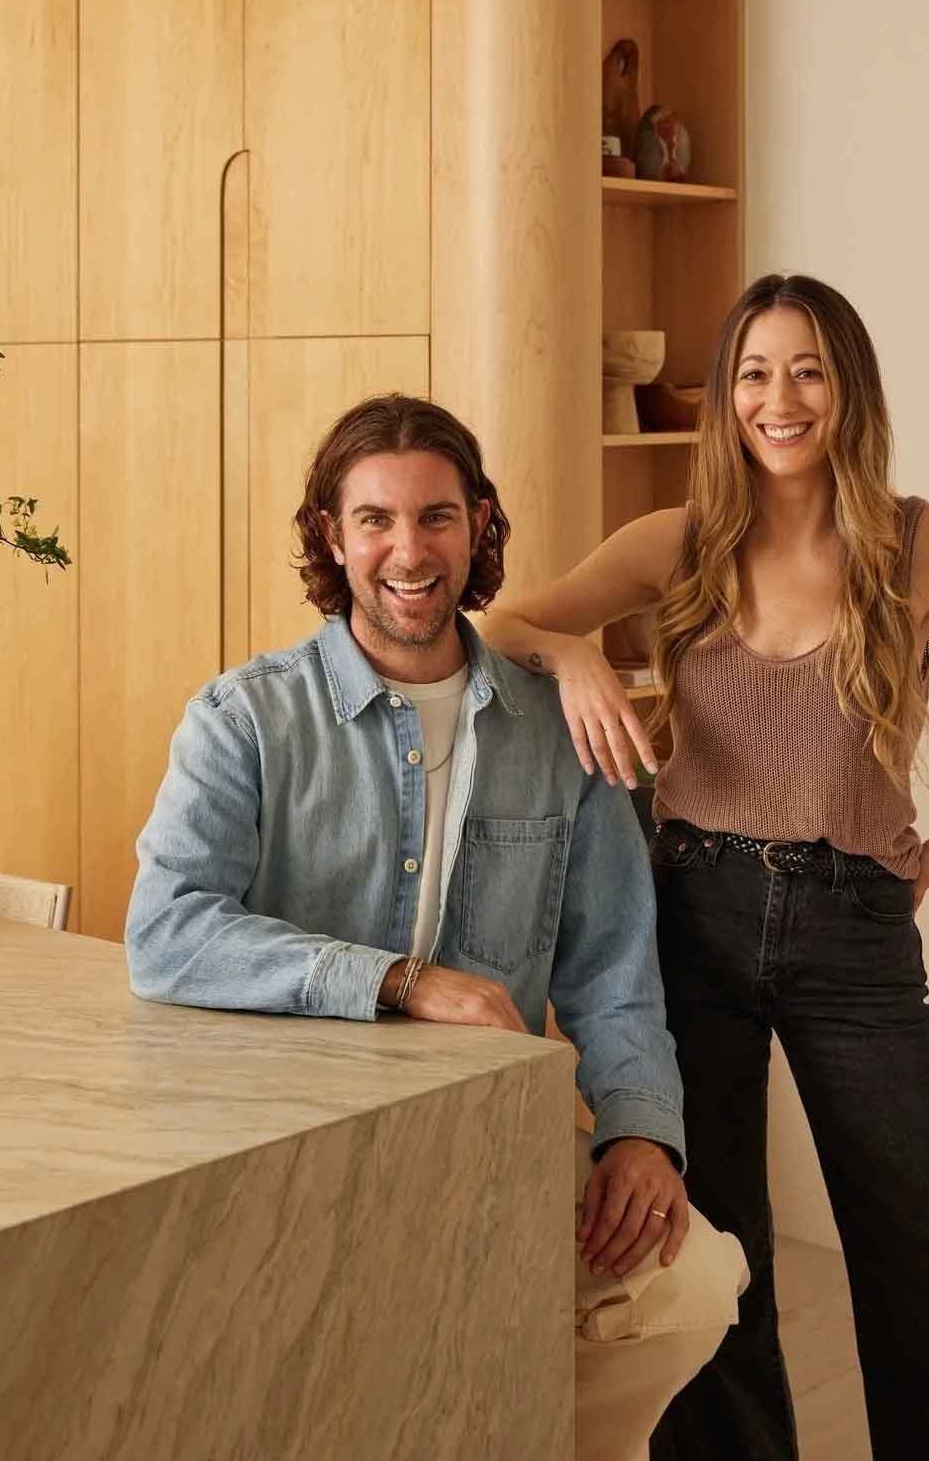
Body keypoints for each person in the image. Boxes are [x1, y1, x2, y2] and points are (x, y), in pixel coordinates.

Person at [484, 271, 929, 1460]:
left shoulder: (914, 541)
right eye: (755, 371)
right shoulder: (674, 543)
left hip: (854, 929)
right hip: (692, 912)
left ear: (848, 389)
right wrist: (574, 654)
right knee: (710, 1245)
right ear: (728, 394)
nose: (781, 397)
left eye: (809, 368)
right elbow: (499, 626)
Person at [127, 393, 747, 1460]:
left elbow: (611, 974)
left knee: (694, 1279)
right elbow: (167, 929)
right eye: (374, 519)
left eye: (436, 516)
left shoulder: (561, 732)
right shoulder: (242, 716)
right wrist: (402, 980)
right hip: (286, 1131)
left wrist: (639, 1128)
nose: (407, 550)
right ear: (331, 532)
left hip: (492, 1124)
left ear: (479, 524)